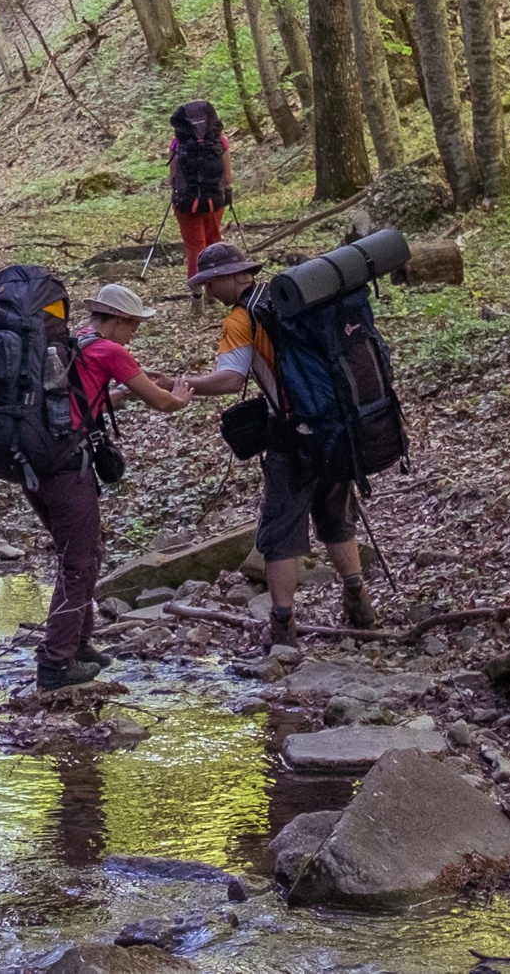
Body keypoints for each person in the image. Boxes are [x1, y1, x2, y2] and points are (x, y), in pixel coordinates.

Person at [175, 241, 377, 647]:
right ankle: (358, 599)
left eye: (211, 283)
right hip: (337, 428)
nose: (209, 293)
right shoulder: (293, 300)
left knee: (280, 530)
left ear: (231, 278)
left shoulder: (242, 317)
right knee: (336, 515)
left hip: (292, 437)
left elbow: (231, 380)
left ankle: (283, 626)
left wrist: (184, 386)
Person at [31, 281, 191, 691]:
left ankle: (80, 644)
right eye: (133, 324)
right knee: (80, 560)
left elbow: (89, 403)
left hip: (38, 462)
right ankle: (55, 662)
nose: (134, 332)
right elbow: (163, 403)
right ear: (117, 319)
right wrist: (182, 394)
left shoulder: (75, 344)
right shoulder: (108, 349)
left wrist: (124, 390)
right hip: (68, 465)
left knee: (82, 552)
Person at [167, 100, 231, 279]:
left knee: (195, 246)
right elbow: (228, 178)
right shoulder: (220, 141)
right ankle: (214, 290)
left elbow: (172, 178)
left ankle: (197, 298)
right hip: (215, 201)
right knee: (213, 242)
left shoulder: (177, 143)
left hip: (186, 203)